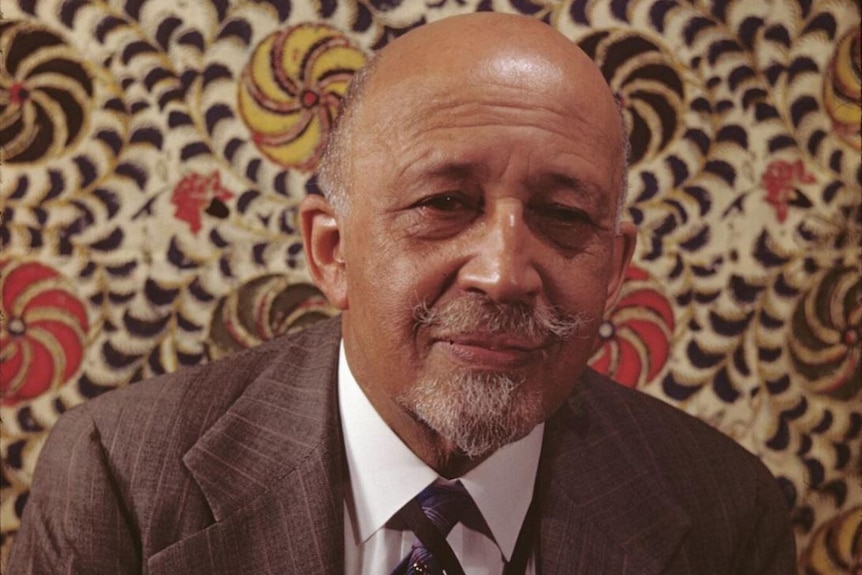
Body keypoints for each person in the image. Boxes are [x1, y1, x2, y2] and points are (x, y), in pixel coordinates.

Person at [8, 12, 795, 575]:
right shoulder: (121, 478)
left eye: (562, 215)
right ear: (332, 251)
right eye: (444, 204)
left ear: (616, 267)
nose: (504, 271)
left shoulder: (726, 510)